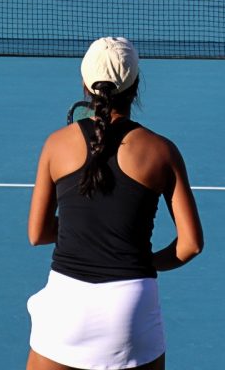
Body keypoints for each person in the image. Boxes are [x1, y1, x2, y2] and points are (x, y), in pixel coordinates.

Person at [26, 37, 204, 370]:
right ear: (135, 86)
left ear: (85, 85)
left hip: (67, 306)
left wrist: (85, 227)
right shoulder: (162, 151)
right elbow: (191, 245)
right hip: (131, 307)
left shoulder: (56, 144)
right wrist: (146, 259)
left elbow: (38, 233)